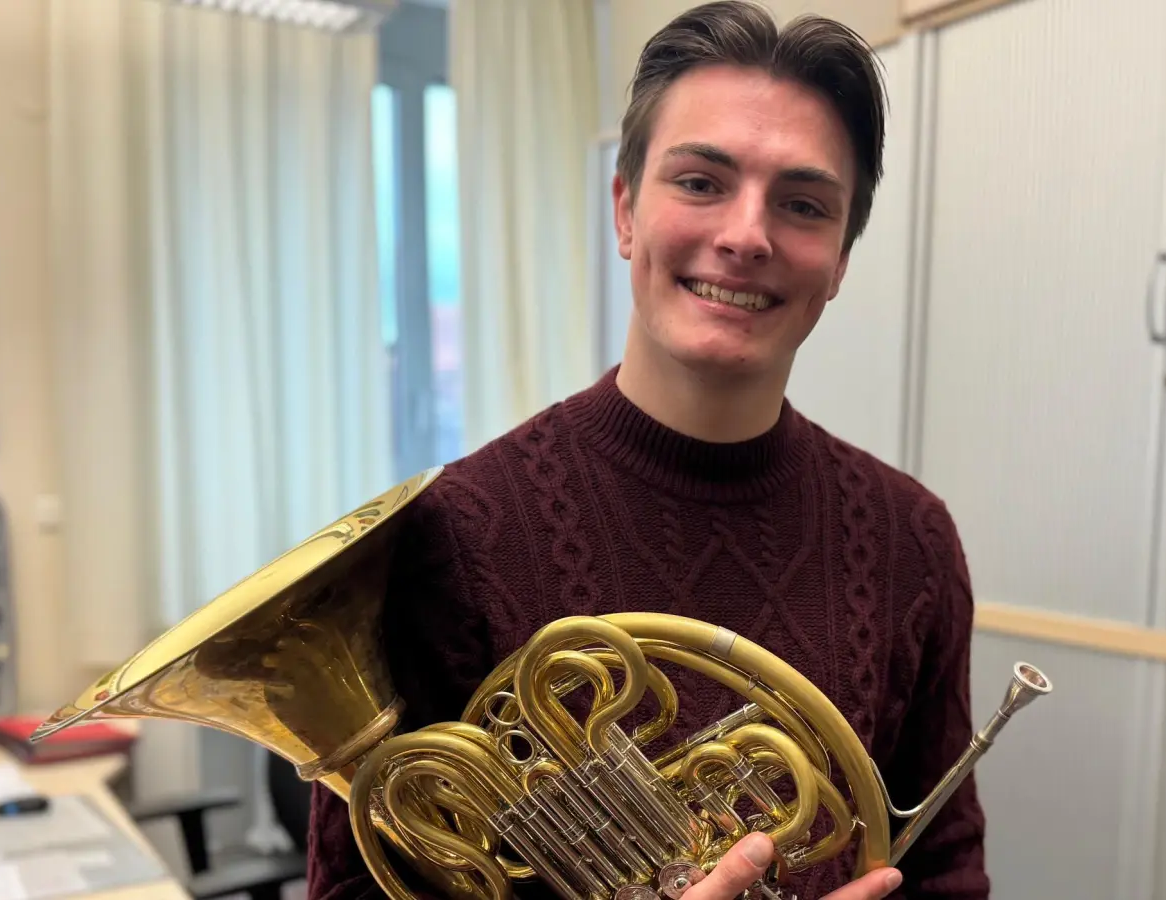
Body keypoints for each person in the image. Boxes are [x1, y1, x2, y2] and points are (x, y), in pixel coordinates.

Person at [304, 2, 989, 898]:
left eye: (804, 204)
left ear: (839, 260)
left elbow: (944, 870)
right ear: (626, 211)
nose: (747, 234)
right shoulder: (449, 536)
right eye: (702, 183)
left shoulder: (911, 540)